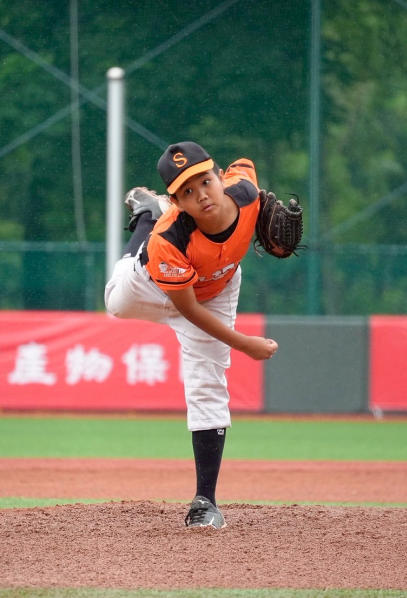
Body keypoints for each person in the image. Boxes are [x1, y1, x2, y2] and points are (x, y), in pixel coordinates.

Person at [105, 141, 282, 529]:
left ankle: (205, 502)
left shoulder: (245, 192)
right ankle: (148, 216)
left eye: (205, 181)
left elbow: (245, 163)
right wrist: (244, 343)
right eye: (187, 191)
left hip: (218, 287)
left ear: (219, 176)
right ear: (177, 202)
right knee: (114, 304)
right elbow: (187, 309)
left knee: (207, 385)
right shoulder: (171, 239)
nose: (201, 194)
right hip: (155, 284)